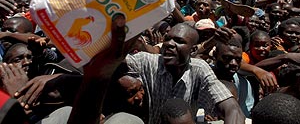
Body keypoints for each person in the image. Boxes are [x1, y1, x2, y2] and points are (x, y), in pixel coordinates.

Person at [67, 15, 245, 124]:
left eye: (179, 41)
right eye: (167, 39)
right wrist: (61, 78)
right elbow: (106, 66)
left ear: (192, 51)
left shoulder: (200, 69)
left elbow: (231, 108)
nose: (169, 44)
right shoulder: (147, 61)